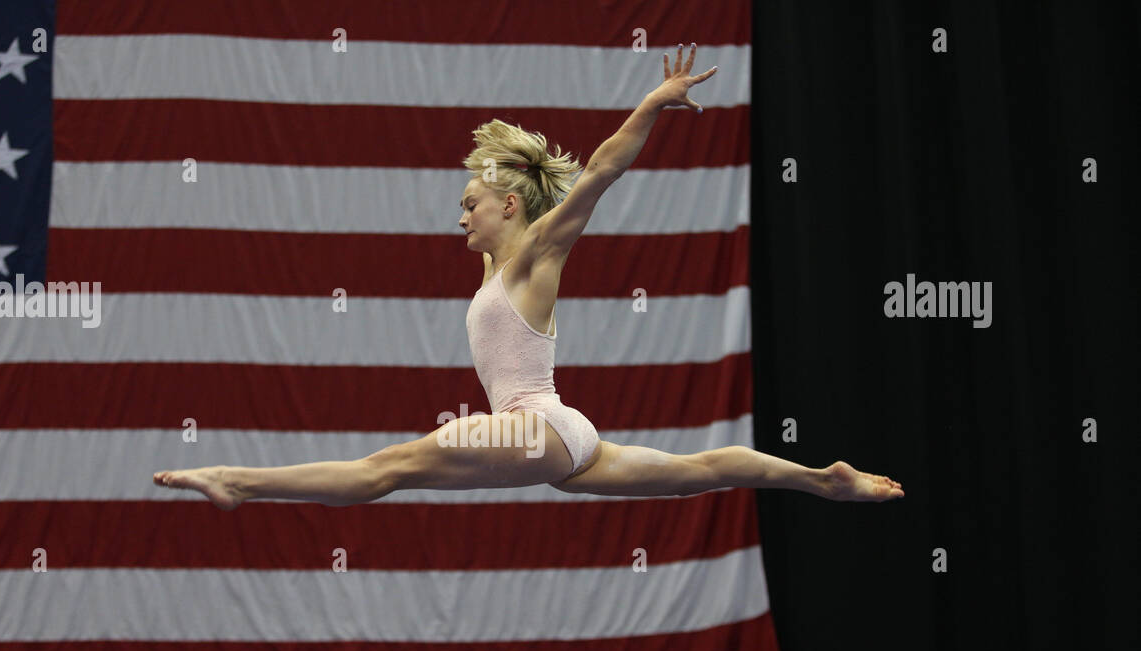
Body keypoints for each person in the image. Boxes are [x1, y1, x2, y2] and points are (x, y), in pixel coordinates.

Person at [154, 43, 903, 510]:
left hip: (537, 428)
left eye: (469, 204)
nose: (459, 218)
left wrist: (651, 104)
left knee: (386, 470)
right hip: (564, 443)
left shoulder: (539, 250)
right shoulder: (494, 264)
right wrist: (493, 153)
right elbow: (510, 181)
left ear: (508, 206)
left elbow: (602, 170)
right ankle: (819, 478)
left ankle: (239, 482)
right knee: (699, 469)